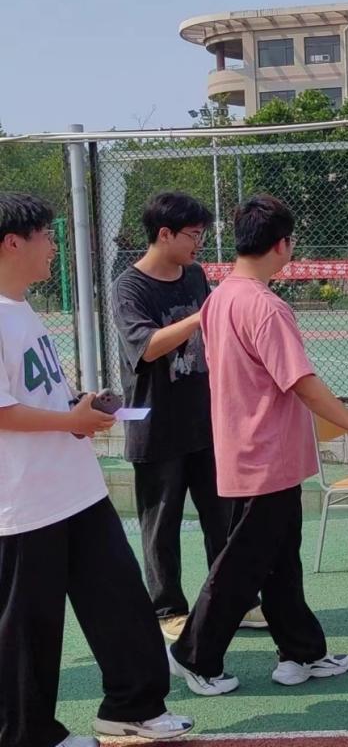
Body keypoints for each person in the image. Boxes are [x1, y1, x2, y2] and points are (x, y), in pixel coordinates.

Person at [168, 195, 348, 697]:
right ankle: (194, 654)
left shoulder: (220, 298)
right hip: (265, 456)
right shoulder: (265, 306)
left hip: (252, 451)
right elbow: (300, 380)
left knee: (281, 559)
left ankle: (300, 652)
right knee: (243, 564)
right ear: (283, 245)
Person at [0, 192, 193, 747]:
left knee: (122, 602)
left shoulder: (20, 307)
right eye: (44, 236)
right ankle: (28, 736)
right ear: (12, 243)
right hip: (24, 504)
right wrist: (70, 420)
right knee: (27, 630)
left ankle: (133, 708)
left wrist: (79, 409)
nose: (53, 247)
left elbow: (32, 393)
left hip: (76, 490)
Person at [112, 191, 266, 642]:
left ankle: (233, 601)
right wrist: (203, 316)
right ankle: (168, 610)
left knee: (223, 517)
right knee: (161, 524)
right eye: (194, 235)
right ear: (165, 234)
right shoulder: (129, 287)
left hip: (206, 422)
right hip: (155, 427)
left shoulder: (195, 275)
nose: (200, 243)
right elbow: (146, 347)